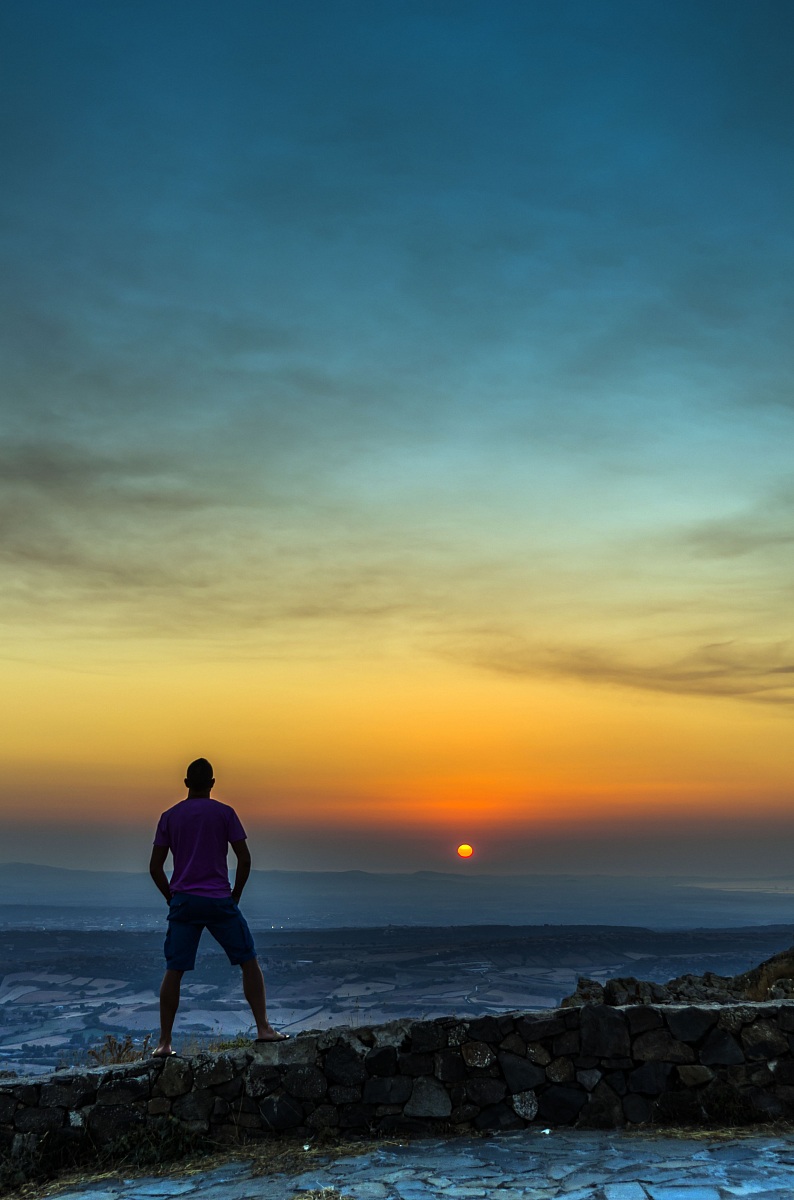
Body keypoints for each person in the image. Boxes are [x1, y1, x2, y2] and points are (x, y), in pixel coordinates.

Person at [149, 757, 287, 1056]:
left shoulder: (169, 817)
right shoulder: (225, 813)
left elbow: (155, 867)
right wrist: (235, 895)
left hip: (184, 902)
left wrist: (171, 897)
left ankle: (164, 1043)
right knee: (248, 961)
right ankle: (263, 1028)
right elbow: (244, 859)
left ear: (186, 783)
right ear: (213, 783)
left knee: (174, 970)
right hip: (219, 899)